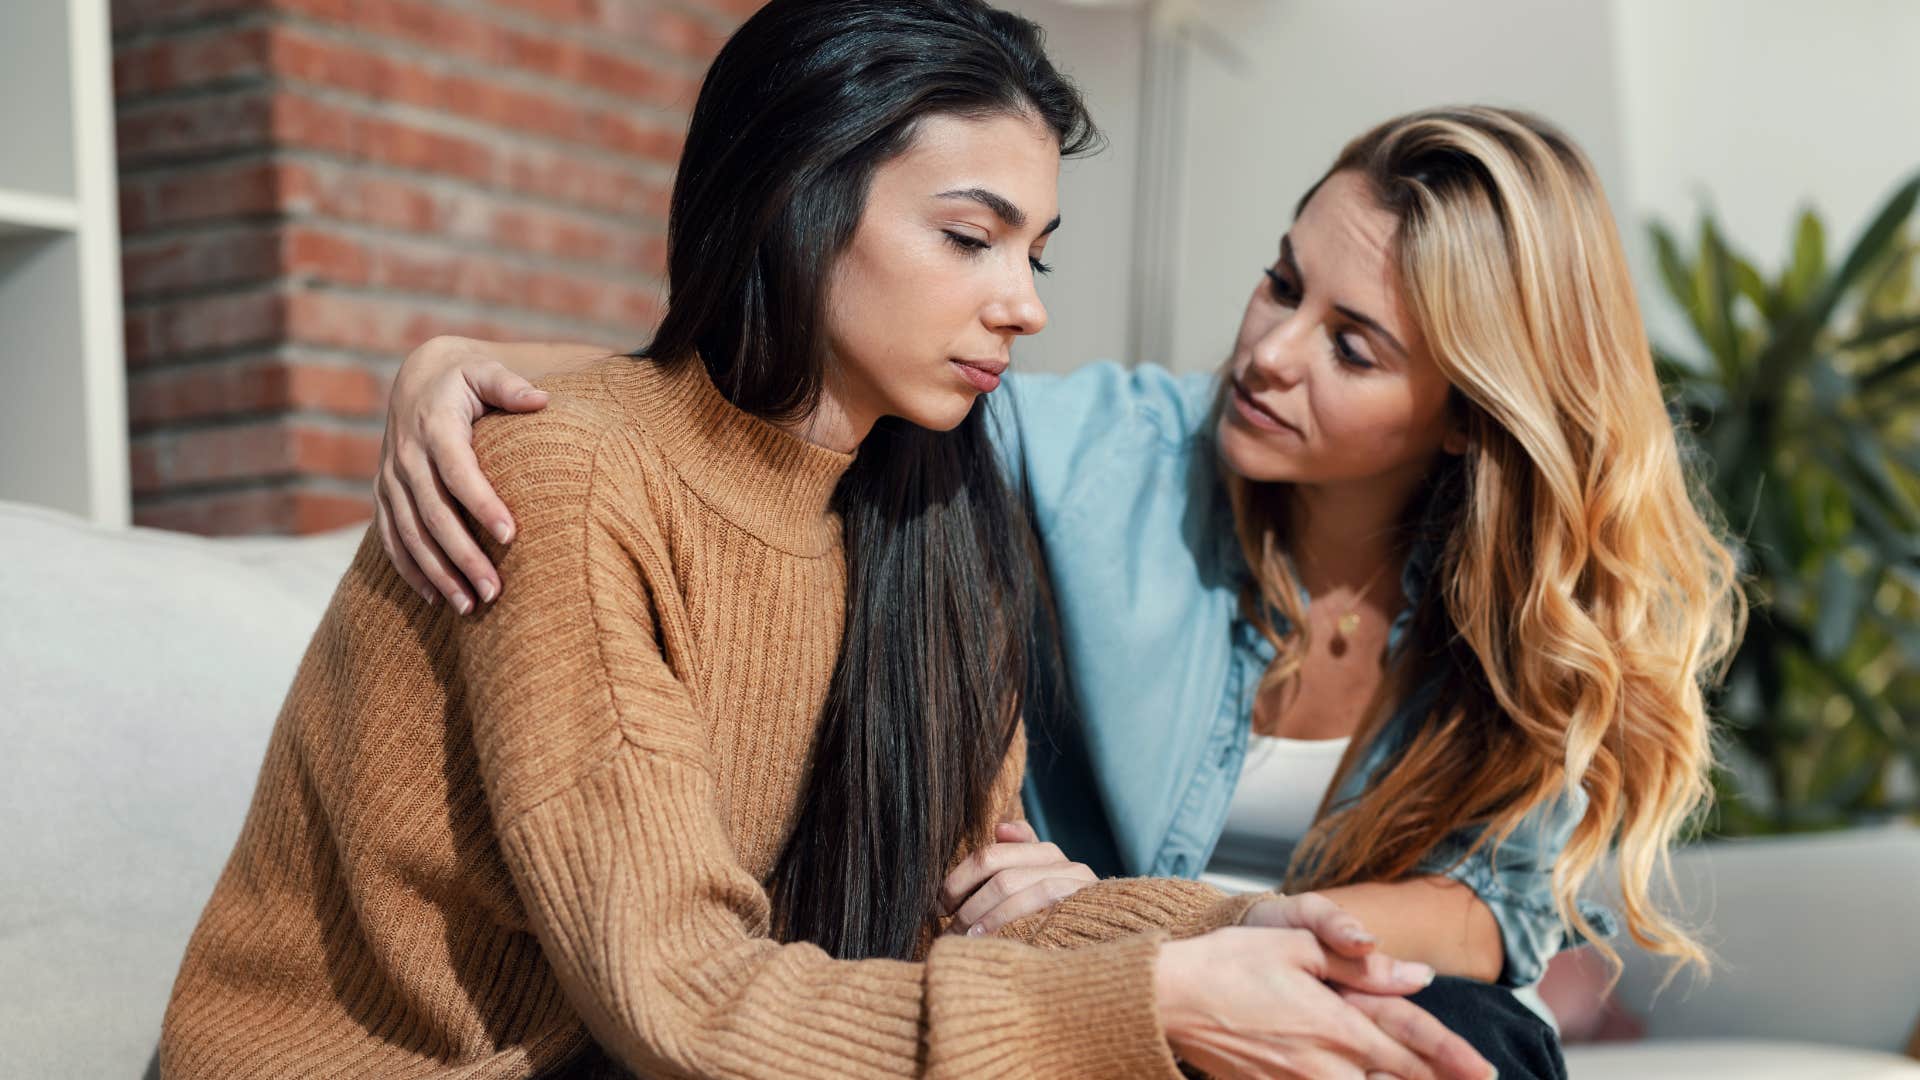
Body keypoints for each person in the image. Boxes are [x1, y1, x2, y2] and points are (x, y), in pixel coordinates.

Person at [160, 3, 1495, 1078]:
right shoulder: (561, 473)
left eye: (1038, 255)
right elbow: (678, 998)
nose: (1022, 305)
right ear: (801, 199)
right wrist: (1148, 1000)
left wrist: (1249, 933)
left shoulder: (925, 517)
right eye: (972, 237)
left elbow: (982, 887)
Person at [381, 106, 1744, 1076]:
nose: (1268, 351)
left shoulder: (1518, 611)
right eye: (1280, 281)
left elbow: (1493, 917)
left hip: (1231, 956)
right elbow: (780, 408)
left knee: (1483, 1038)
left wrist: (1252, 936)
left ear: (1463, 416)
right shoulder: (1098, 454)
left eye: (1354, 346)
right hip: (1060, 978)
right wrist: (462, 357)